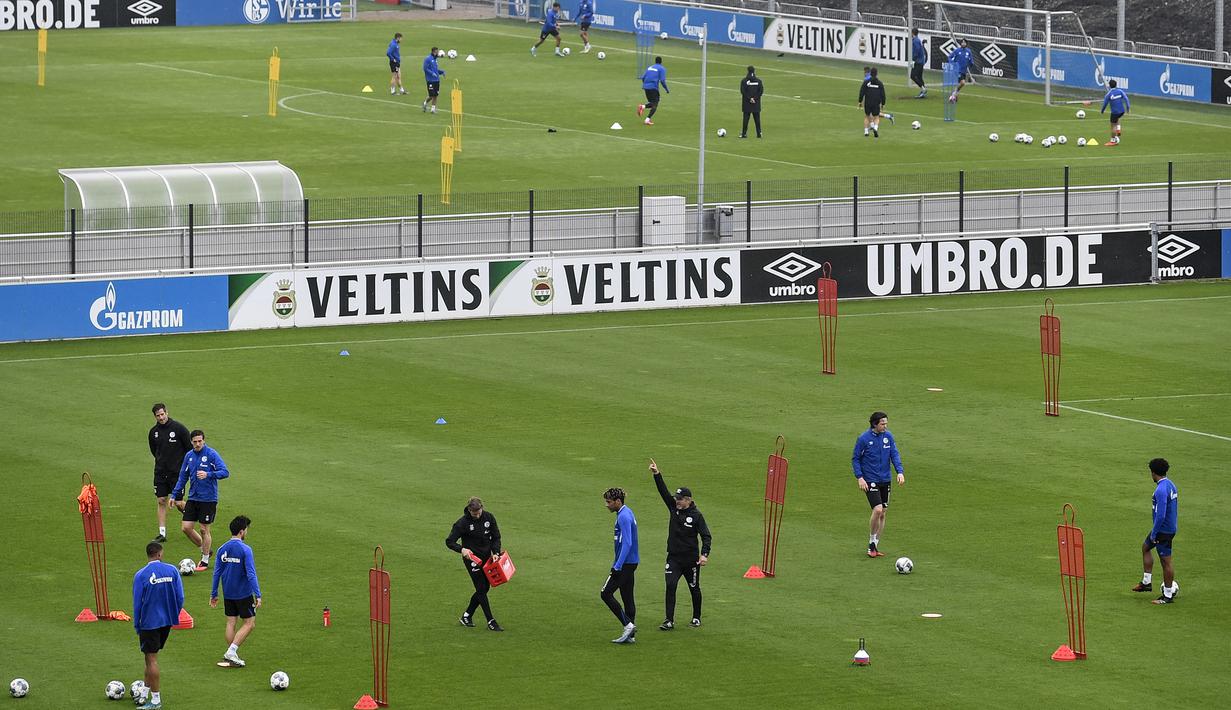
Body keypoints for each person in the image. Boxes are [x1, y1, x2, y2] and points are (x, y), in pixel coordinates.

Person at [649, 459, 711, 631]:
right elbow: (663, 492)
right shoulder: (673, 508)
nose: (676, 501)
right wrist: (657, 474)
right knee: (670, 585)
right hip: (674, 558)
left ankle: (696, 617)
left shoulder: (697, 516)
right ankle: (669, 620)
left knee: (694, 588)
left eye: (680, 499)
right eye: (676, 498)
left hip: (691, 560)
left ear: (688, 500)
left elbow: (706, 536)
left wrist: (704, 555)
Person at [132, 541, 184, 710]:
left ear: (148, 554)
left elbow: (137, 603)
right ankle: (144, 694)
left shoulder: (141, 575)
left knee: (151, 659)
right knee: (151, 658)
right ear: (160, 554)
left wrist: (137, 624)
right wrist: (173, 615)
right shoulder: (173, 570)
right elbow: (180, 597)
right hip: (167, 621)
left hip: (149, 622)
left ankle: (155, 700)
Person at [170, 430, 229, 571]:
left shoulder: (211, 454)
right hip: (193, 497)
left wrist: (208, 474)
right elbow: (182, 477)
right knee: (186, 527)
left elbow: (225, 472)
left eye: (199, 441)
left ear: (204, 440)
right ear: (191, 442)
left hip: (208, 499)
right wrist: (174, 495)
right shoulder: (189, 456)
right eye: (195, 442)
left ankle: (204, 560)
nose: (197, 444)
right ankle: (205, 549)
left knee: (204, 529)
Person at [444, 497, 505, 631]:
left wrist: (495, 552)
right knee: (481, 589)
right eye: (474, 513)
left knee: (485, 588)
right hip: (472, 560)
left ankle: (467, 615)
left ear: (482, 508)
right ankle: (491, 621)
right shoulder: (462, 523)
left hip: (487, 558)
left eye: (479, 513)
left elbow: (496, 537)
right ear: (469, 510)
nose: (477, 516)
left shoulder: (489, 517)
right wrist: (462, 549)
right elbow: (449, 541)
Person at [210, 515, 262, 668]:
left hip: (228, 592)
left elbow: (216, 573)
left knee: (231, 622)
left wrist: (214, 593)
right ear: (241, 531)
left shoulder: (222, 549)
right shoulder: (246, 550)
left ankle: (231, 654)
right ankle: (232, 651)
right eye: (246, 530)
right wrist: (258, 594)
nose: (247, 532)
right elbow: (251, 574)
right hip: (243, 593)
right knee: (250, 623)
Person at [852, 411, 905, 557]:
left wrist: (899, 472)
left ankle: (875, 545)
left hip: (885, 479)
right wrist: (860, 477)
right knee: (878, 510)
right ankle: (871, 542)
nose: (885, 426)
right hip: (870, 480)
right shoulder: (864, 439)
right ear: (875, 424)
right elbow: (855, 459)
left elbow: (894, 454)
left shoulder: (888, 437)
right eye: (883, 424)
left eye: (886, 423)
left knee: (883, 513)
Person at [1133, 458, 1178, 604]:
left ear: (1153, 473)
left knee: (1166, 562)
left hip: (1162, 531)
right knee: (1145, 547)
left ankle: (1167, 596)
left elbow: (1161, 514)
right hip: (1166, 528)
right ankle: (1146, 582)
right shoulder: (1171, 484)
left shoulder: (1160, 490)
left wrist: (1154, 533)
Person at [148, 403, 191, 543]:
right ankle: (162, 533)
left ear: (167, 412)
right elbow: (154, 451)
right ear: (154, 416)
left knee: (178, 503)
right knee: (161, 500)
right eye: (158, 415)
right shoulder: (153, 432)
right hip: (160, 472)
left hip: (177, 473)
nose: (161, 417)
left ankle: (192, 514)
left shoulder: (179, 429)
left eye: (162, 414)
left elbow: (189, 449)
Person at [601, 487, 639, 644]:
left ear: (618, 501)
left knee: (605, 593)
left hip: (624, 564)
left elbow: (628, 543)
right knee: (627, 596)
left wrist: (617, 566)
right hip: (631, 562)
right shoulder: (627, 512)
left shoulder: (623, 516)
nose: (607, 505)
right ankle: (631, 635)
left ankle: (628, 625)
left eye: (609, 502)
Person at [637, 56, 669, 126]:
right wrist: (666, 89)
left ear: (655, 61)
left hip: (646, 87)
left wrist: (646, 84)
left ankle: (642, 107)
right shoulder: (662, 68)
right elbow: (663, 81)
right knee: (655, 104)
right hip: (653, 87)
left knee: (653, 102)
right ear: (661, 62)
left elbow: (643, 77)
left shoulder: (650, 67)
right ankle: (647, 120)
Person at [858, 67, 888, 138]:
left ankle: (866, 132)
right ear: (877, 74)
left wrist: (860, 101)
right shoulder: (880, 83)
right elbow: (883, 94)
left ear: (870, 74)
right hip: (876, 102)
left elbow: (862, 92)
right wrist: (883, 103)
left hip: (868, 102)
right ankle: (875, 128)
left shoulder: (866, 82)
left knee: (867, 116)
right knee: (876, 117)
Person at [1100, 79, 1130, 146]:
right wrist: (1128, 108)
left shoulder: (1108, 94)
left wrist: (1102, 111)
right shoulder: (1120, 91)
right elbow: (1126, 99)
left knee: (1113, 126)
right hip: (1122, 111)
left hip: (1115, 112)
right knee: (1118, 118)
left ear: (1109, 86)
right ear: (1116, 85)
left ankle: (1113, 141)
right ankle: (1118, 129)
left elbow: (1105, 104)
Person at [946, 38, 974, 102]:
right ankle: (952, 96)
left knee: (960, 84)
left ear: (966, 44)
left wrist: (971, 63)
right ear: (960, 43)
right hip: (957, 70)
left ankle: (955, 95)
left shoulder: (968, 51)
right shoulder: (957, 51)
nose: (963, 43)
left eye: (964, 42)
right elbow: (950, 57)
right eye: (962, 42)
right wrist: (952, 63)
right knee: (962, 83)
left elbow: (971, 60)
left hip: (964, 71)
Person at [739, 65, 763, 139]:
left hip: (747, 103)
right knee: (757, 119)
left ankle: (744, 134)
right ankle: (759, 133)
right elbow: (761, 91)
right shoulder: (758, 81)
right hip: (756, 104)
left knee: (746, 119)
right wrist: (754, 98)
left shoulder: (744, 81)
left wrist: (750, 98)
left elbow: (743, 92)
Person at [422, 47, 445, 114]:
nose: (438, 53)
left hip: (437, 80)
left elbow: (435, 70)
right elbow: (425, 68)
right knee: (431, 95)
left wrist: (442, 72)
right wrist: (432, 73)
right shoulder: (428, 59)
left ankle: (433, 109)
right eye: (437, 52)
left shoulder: (435, 60)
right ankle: (425, 103)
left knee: (436, 95)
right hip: (430, 80)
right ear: (434, 52)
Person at [910, 29, 927, 98]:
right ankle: (923, 92)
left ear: (912, 33)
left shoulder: (915, 41)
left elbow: (916, 50)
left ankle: (923, 89)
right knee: (919, 77)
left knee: (913, 75)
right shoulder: (917, 40)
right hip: (920, 61)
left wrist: (913, 60)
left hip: (918, 61)